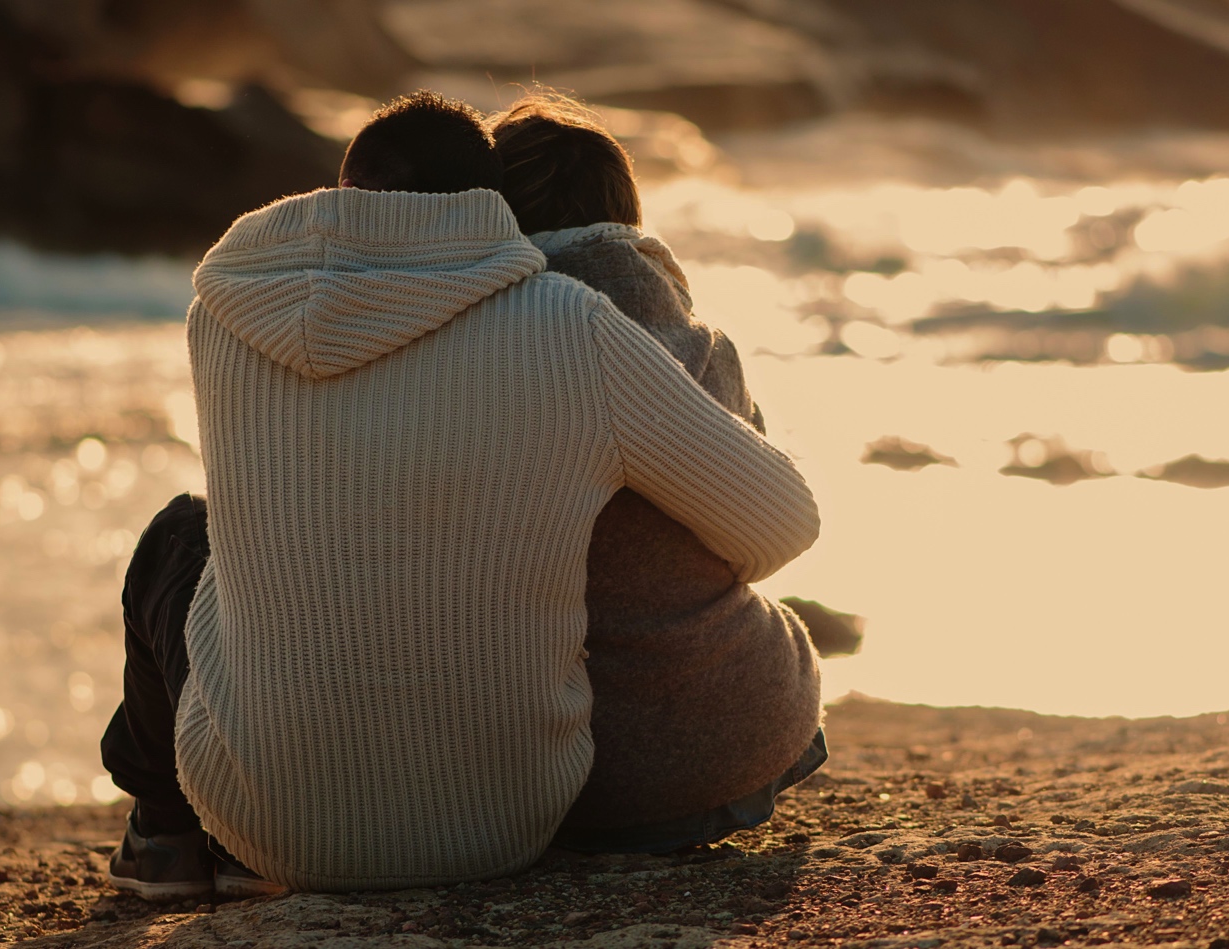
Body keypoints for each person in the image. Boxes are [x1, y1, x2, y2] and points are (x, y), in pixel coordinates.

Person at [101, 89, 819, 897]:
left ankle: (164, 833)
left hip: (257, 825)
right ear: (487, 207)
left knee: (183, 534)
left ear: (339, 196)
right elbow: (780, 522)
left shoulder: (221, 315)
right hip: (506, 823)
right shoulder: (563, 324)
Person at [490, 93, 826, 852]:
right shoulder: (696, 346)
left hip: (524, 767)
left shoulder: (472, 351)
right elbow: (766, 538)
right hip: (720, 750)